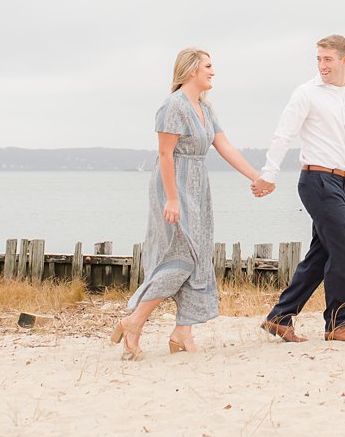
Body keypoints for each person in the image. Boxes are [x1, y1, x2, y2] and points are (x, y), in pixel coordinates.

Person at [110, 48, 263, 360]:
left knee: (199, 253)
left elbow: (224, 145)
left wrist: (255, 177)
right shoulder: (173, 106)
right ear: (192, 69)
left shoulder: (204, 107)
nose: (213, 71)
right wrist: (172, 198)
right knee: (182, 256)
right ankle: (134, 321)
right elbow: (166, 155)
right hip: (174, 185)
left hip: (198, 185)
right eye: (208, 66)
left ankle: (183, 332)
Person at [253, 34, 345, 343]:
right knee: (341, 249)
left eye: (328, 59)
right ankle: (337, 324)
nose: (323, 65)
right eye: (319, 59)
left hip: (340, 181)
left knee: (321, 253)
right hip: (315, 180)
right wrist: (269, 174)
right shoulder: (306, 93)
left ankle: (279, 317)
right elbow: (283, 134)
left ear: (344, 60)